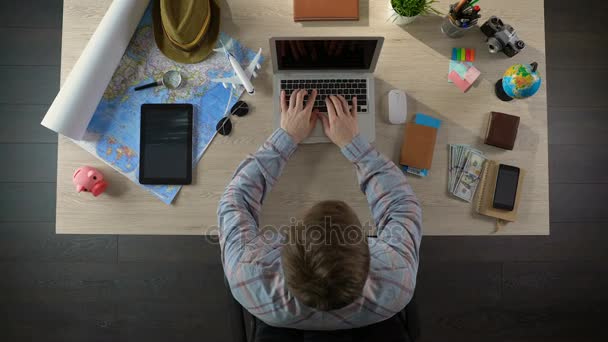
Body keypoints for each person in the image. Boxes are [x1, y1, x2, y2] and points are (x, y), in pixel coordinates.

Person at [218, 89, 422, 331]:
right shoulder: (398, 280)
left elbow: (234, 200)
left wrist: (286, 137)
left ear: (282, 244)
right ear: (368, 249)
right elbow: (402, 205)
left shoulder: (247, 276)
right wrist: (353, 144)